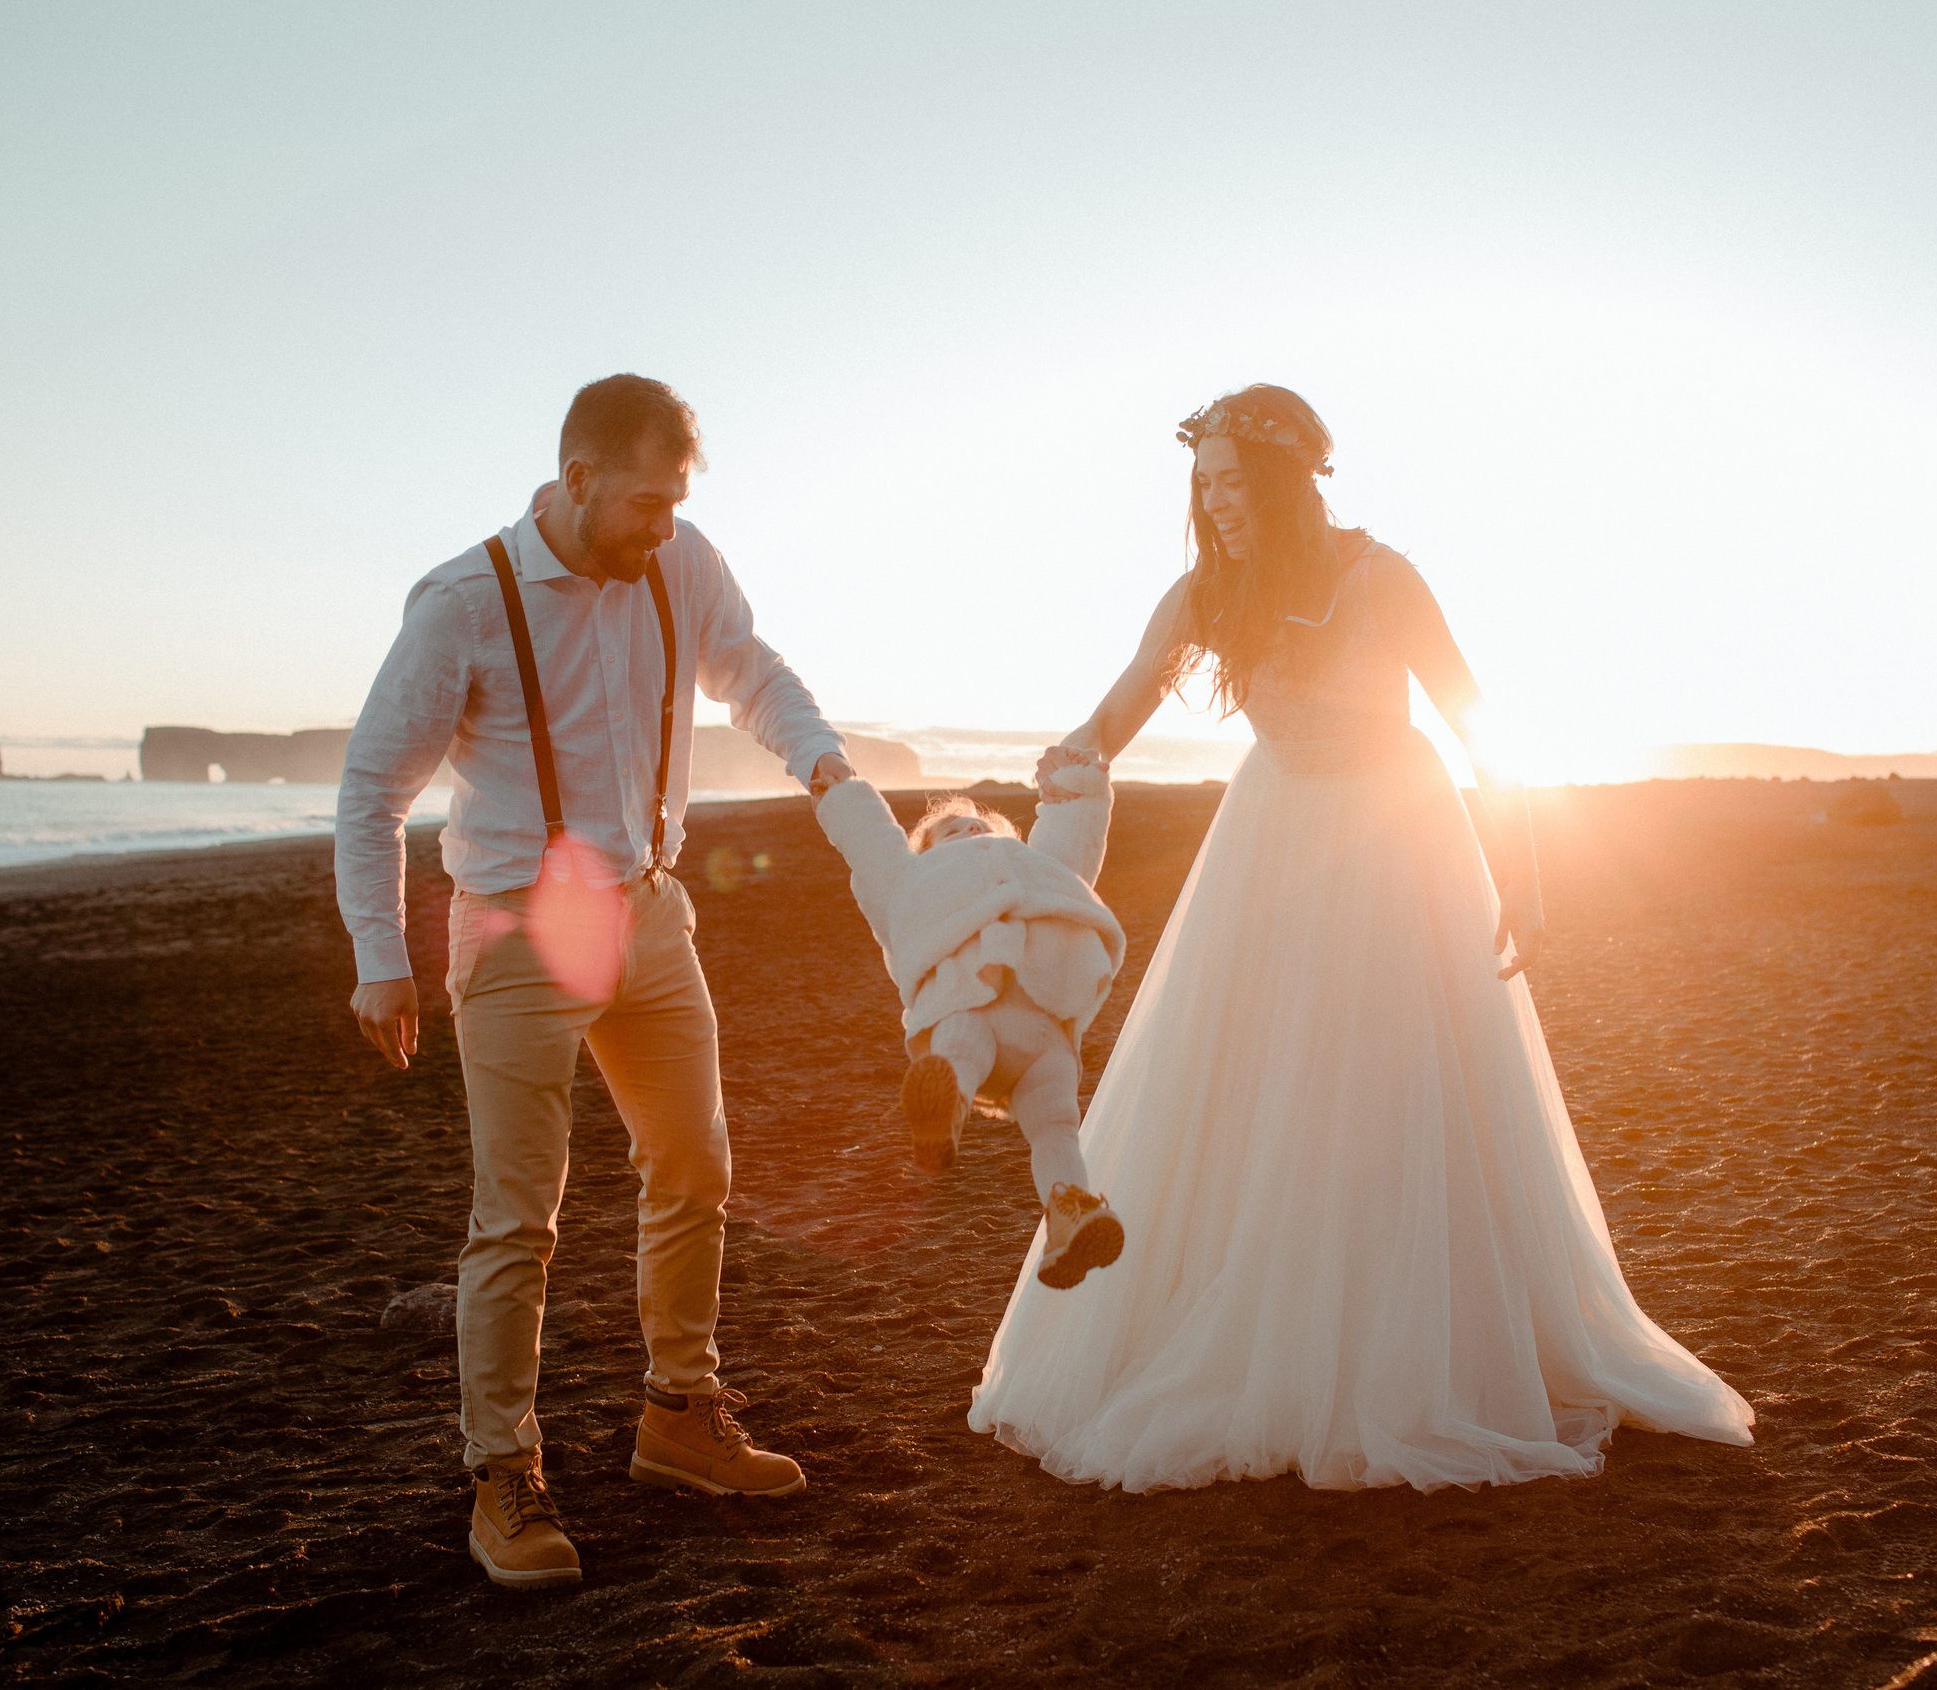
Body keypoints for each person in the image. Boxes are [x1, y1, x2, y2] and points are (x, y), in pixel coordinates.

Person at [966, 385, 1756, 1493]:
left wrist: (1521, 875)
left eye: (1234, 482)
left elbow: (1481, 722)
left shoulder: (1379, 576)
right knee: (1250, 1080)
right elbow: (1121, 705)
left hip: (1397, 842)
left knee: (1394, 1088)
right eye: (1203, 485)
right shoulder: (1207, 591)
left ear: (1285, 484)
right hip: (1273, 833)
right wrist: (1063, 767)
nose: (1216, 504)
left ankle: (1402, 1349)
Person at [337, 374, 853, 1589]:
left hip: (651, 914)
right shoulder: (465, 601)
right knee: (520, 1216)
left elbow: (753, 673)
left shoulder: (680, 563)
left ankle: (681, 1416)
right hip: (513, 929)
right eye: (644, 503)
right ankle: (500, 1476)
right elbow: (372, 791)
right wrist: (379, 961)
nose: (662, 527)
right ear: (575, 481)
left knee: (695, 1166)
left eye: (677, 503)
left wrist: (825, 767)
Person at [812, 764, 1128, 1287]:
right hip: (968, 1004)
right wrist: (842, 793)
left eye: (981, 828)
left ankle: (1071, 1216)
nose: (970, 833)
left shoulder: (1035, 868)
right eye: (951, 831)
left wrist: (1078, 790)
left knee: (1056, 1126)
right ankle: (946, 1106)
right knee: (962, 1042)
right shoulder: (917, 881)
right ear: (928, 852)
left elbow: (1073, 847)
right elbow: (875, 846)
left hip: (1045, 1032)